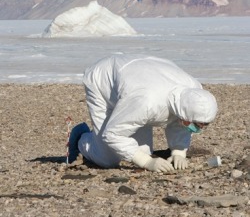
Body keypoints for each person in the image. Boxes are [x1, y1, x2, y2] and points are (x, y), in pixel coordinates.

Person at [69, 54, 218, 172]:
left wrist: (178, 152)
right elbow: (113, 134)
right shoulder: (146, 102)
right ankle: (81, 138)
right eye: (194, 125)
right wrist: (146, 162)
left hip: (140, 76)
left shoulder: (193, 92)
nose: (195, 128)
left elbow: (180, 120)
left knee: (142, 151)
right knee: (108, 159)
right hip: (103, 81)